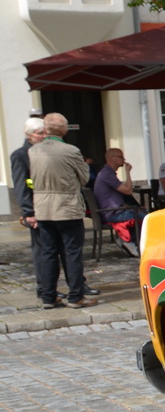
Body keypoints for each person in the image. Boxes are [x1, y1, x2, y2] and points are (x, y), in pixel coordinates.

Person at [20, 114, 96, 308]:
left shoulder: (34, 151)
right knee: (72, 253)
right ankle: (76, 296)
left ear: (45, 130)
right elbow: (84, 177)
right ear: (64, 130)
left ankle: (48, 297)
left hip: (43, 208)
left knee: (48, 253)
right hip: (67, 207)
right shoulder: (71, 150)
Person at [93, 147, 145, 256]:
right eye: (121, 156)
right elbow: (128, 191)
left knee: (141, 212)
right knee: (146, 218)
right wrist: (128, 172)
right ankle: (130, 242)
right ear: (113, 159)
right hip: (113, 214)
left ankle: (131, 242)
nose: (124, 159)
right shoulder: (107, 174)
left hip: (113, 211)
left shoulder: (107, 173)